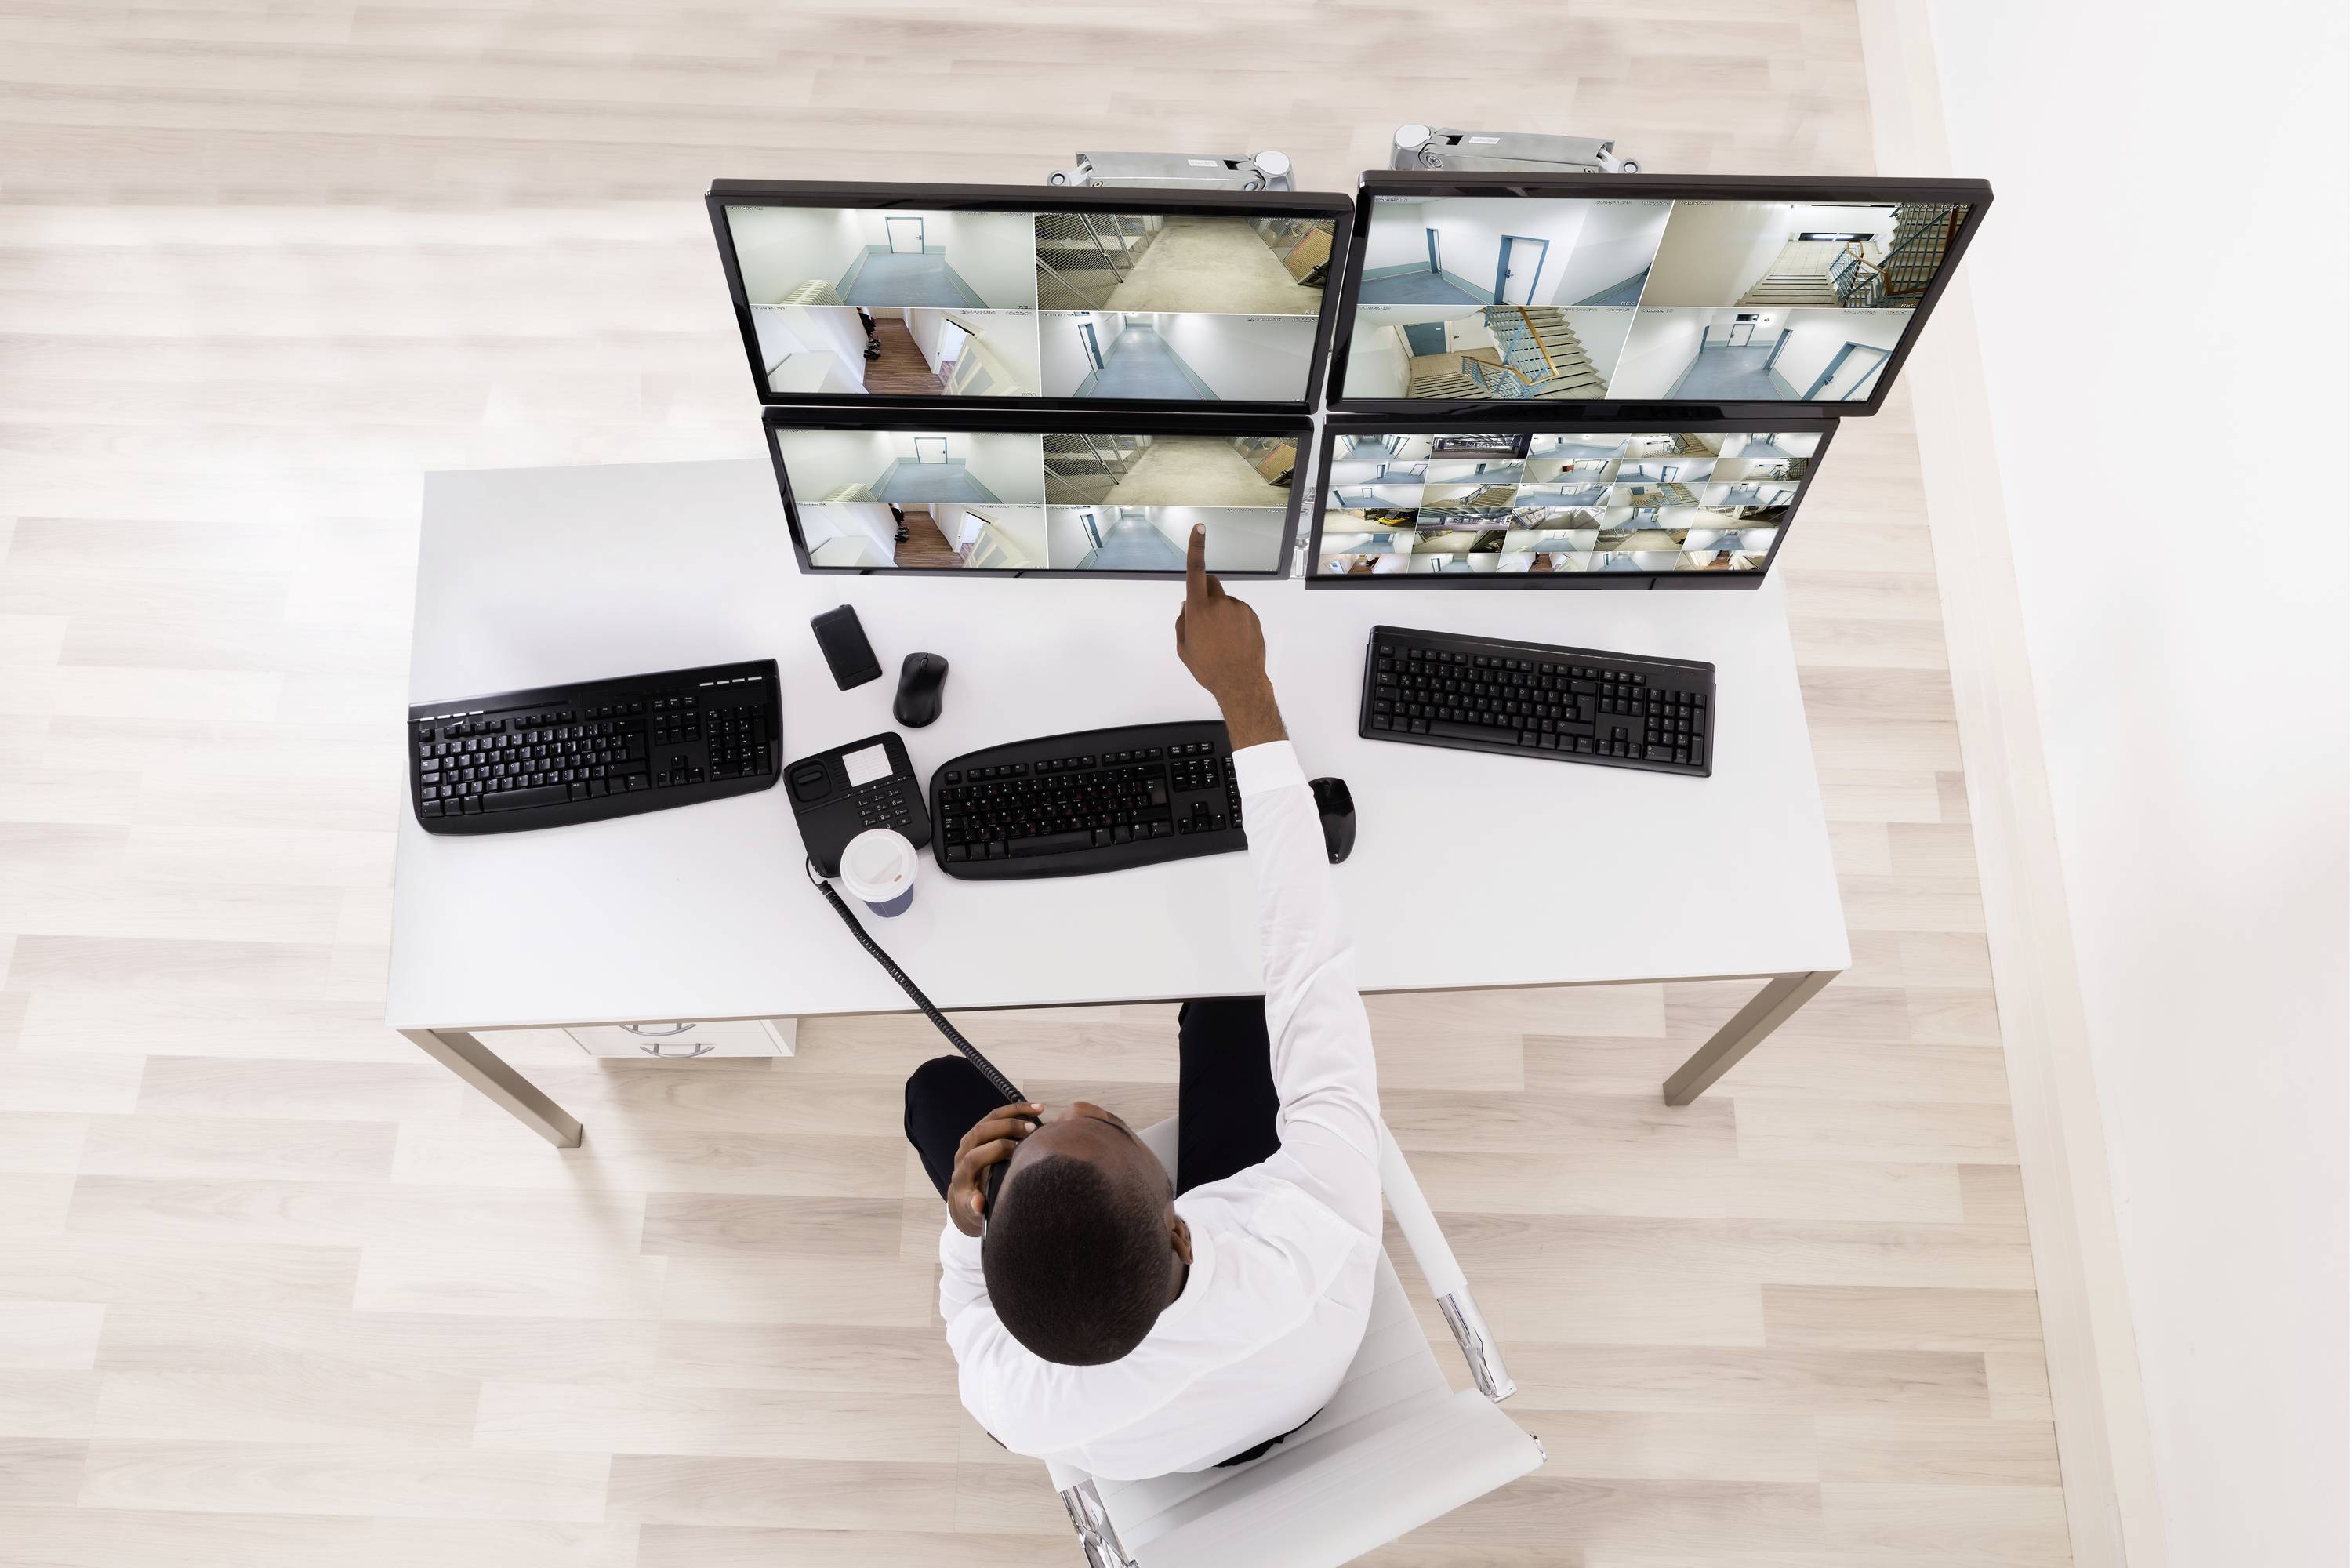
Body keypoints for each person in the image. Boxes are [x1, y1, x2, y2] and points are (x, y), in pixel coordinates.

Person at [900, 524, 1382, 1481]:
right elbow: (1308, 958)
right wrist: (1242, 685)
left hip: (1170, 1435)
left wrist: (964, 1237)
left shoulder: (1008, 1399)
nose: (1069, 1104)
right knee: (1240, 991)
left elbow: (966, 1307)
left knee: (935, 1094)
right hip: (1300, 1375)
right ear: (1179, 1220)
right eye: (1105, 1120)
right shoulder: (1312, 1213)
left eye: (1048, 1126)